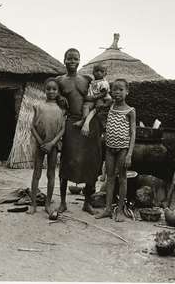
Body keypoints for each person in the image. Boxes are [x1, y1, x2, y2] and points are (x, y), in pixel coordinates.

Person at [56, 48, 103, 215]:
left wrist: (88, 120)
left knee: (91, 161)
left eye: (75, 58)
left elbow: (97, 100)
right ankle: (62, 203)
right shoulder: (59, 80)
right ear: (64, 60)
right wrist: (59, 99)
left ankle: (87, 202)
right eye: (69, 58)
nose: (72, 61)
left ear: (79, 60)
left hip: (90, 124)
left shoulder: (87, 79)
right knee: (67, 160)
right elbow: (52, 94)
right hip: (71, 122)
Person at [95, 79, 136, 221]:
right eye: (114, 89)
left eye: (120, 89)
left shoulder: (130, 111)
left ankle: (119, 211)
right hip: (109, 148)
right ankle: (107, 209)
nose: (117, 92)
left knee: (122, 179)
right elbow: (99, 101)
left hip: (123, 149)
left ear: (127, 92)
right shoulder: (111, 106)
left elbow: (133, 133)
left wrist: (129, 154)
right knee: (110, 178)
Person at [27, 78, 66, 216]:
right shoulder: (38, 106)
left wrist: (52, 143)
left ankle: (48, 204)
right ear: (45, 90)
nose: (51, 91)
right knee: (36, 173)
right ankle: (33, 204)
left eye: (54, 89)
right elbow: (32, 126)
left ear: (58, 91)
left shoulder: (61, 110)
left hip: (53, 146)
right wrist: (41, 142)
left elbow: (62, 129)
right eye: (48, 88)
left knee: (51, 174)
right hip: (40, 145)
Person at [74, 64, 112, 134]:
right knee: (85, 107)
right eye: (96, 71)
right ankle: (83, 120)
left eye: (101, 71)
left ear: (105, 74)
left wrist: (94, 97)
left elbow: (104, 93)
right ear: (93, 72)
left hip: (100, 99)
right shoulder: (93, 81)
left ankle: (103, 126)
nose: (99, 73)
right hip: (92, 99)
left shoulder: (103, 82)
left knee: (98, 111)